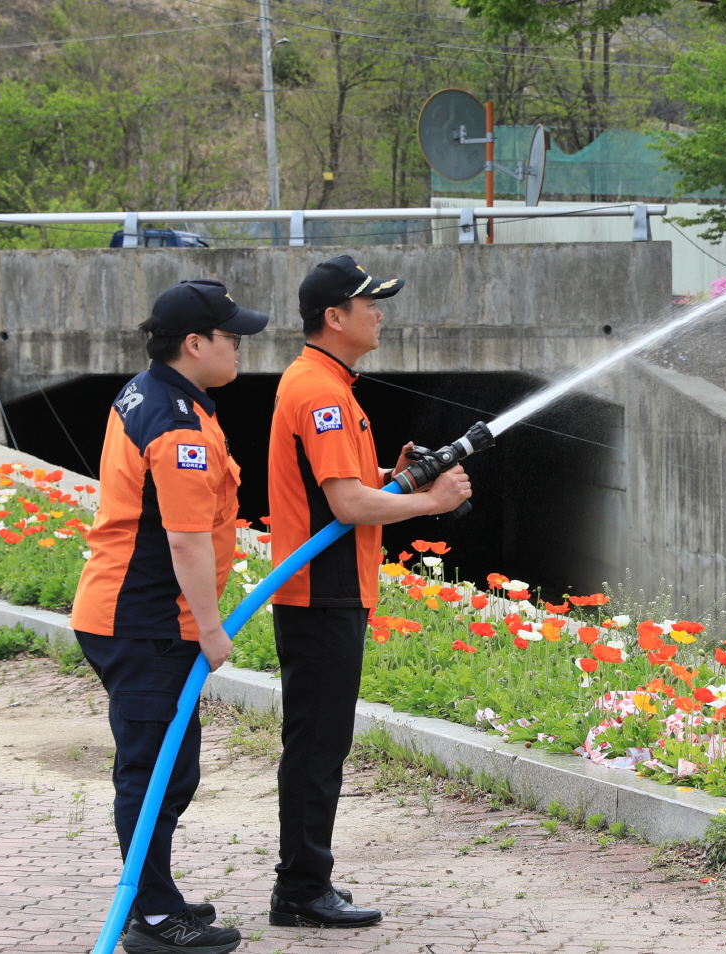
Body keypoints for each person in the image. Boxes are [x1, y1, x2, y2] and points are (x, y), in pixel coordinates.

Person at [265, 255, 470, 928]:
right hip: (322, 593)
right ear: (335, 316)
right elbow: (348, 505)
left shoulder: (324, 383)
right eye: (369, 304)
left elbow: (343, 486)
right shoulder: (321, 392)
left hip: (326, 591)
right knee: (317, 747)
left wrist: (395, 476)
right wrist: (431, 500)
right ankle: (300, 890)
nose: (379, 314)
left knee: (319, 742)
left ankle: (304, 881)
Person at [71, 280, 269, 954]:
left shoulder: (153, 393)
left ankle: (154, 896)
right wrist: (211, 629)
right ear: (194, 343)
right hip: (147, 621)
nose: (239, 348)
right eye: (231, 337)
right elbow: (184, 539)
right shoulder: (178, 425)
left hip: (132, 614)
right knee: (153, 771)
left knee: (167, 768)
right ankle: (154, 917)